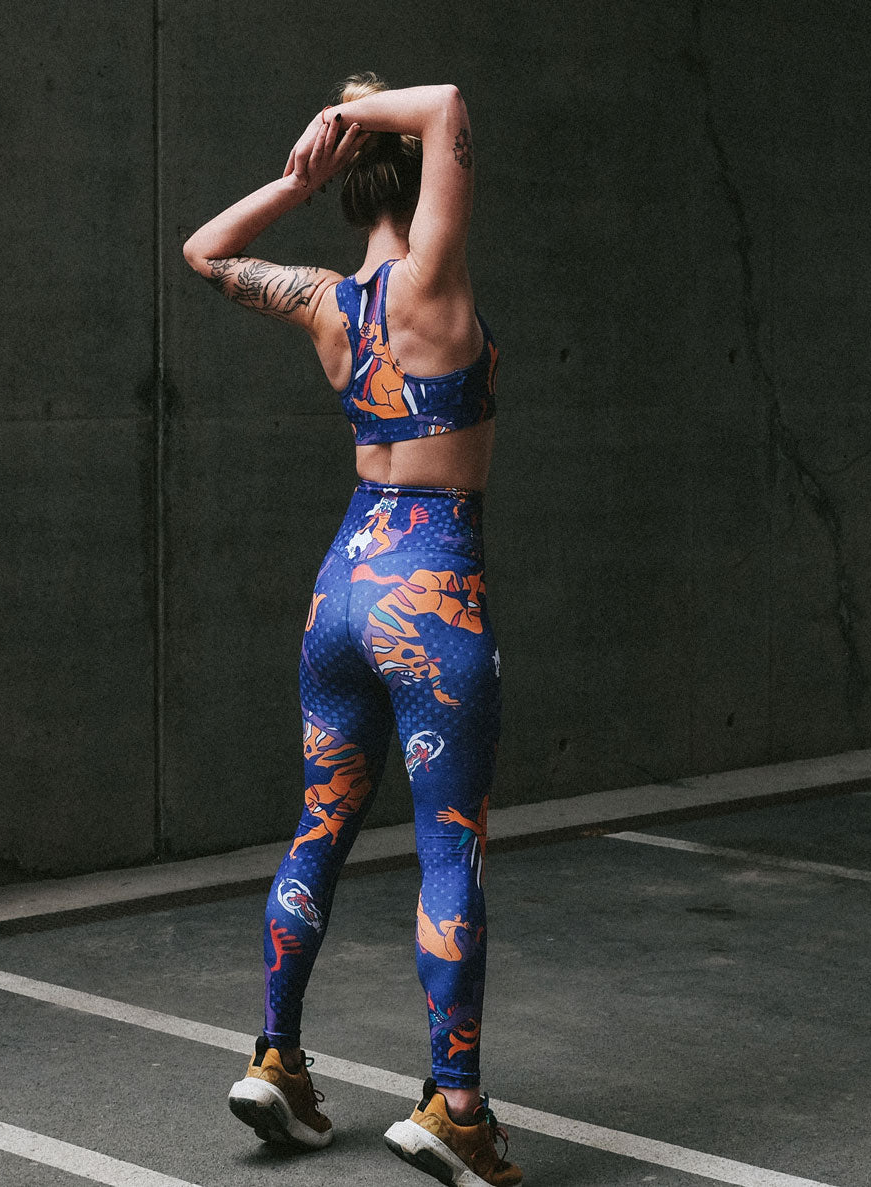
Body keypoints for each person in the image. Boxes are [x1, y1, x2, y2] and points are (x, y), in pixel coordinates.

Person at [183, 72, 521, 1187]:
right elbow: (449, 102)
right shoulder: (432, 279)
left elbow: (204, 251)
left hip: (342, 590)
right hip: (432, 591)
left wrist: (300, 176)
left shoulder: (330, 302)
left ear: (348, 187)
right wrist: (360, 116)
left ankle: (276, 1058)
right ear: (421, 184)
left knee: (320, 825)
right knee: (448, 844)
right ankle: (456, 1108)